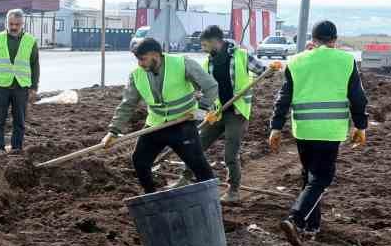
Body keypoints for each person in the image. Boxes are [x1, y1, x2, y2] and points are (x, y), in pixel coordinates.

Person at [269, 21, 368, 246]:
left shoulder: (296, 61)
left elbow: (283, 98)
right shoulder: (346, 60)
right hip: (330, 131)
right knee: (322, 178)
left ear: (312, 39)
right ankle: (295, 219)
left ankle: (310, 227)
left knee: (309, 177)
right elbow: (358, 98)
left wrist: (276, 127)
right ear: (334, 39)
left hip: (303, 129)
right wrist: (360, 125)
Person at [101, 37, 219, 193]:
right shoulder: (136, 75)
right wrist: (113, 131)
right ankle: (152, 196)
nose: (140, 64)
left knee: (198, 164)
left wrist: (201, 110)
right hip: (155, 125)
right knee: (140, 161)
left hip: (183, 125)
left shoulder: (182, 63)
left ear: (155, 55)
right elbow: (127, 105)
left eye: (143, 59)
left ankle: (211, 199)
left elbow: (210, 86)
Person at [196, 25, 267, 203]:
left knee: (230, 154)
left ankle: (233, 190)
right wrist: (204, 110)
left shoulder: (241, 56)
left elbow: (263, 71)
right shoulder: (208, 62)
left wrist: (271, 69)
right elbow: (204, 89)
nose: (203, 49)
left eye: (205, 45)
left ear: (215, 42)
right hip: (217, 112)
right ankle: (186, 179)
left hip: (237, 112)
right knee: (196, 146)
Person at [0, 9, 41, 154]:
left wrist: (34, 86)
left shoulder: (30, 41)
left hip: (21, 87)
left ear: (22, 24)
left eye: (17, 24)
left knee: (19, 121)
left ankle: (16, 148)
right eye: (11, 24)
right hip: (1, 86)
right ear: (6, 23)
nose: (14, 27)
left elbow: (35, 64)